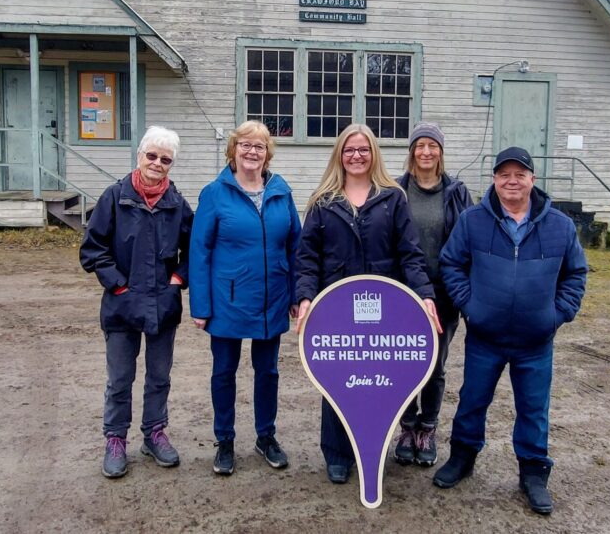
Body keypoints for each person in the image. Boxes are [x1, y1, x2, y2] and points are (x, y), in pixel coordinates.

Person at [434, 146, 588, 515]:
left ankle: (533, 473)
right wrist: (471, 306)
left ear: (533, 179)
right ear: (494, 180)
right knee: (472, 400)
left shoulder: (560, 227)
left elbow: (576, 274)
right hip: (485, 338)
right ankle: (462, 457)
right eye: (504, 174)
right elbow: (451, 264)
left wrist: (557, 314)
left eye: (520, 174)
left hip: (536, 342)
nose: (512, 181)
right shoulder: (473, 221)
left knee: (534, 409)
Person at [295, 123, 442, 485]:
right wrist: (305, 296)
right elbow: (307, 258)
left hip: (383, 310)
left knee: (377, 382)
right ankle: (337, 453)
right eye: (349, 150)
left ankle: (370, 448)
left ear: (373, 154)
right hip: (335, 308)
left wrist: (424, 294)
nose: (356, 156)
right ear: (339, 156)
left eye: (363, 150)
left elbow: (410, 254)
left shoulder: (392, 198)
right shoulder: (323, 201)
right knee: (336, 381)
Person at [80, 125, 192, 479]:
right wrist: (118, 287)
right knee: (120, 379)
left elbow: (195, 251)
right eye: (152, 155)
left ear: (171, 164)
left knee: (159, 376)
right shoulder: (114, 197)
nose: (157, 163)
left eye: (166, 159)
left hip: (163, 304)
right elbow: (93, 249)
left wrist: (178, 279)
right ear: (140, 154)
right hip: (121, 306)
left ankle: (154, 433)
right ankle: (115, 439)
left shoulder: (177, 205)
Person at [189, 120, 301, 476]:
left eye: (260, 146)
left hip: (273, 298)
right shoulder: (215, 193)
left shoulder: (281, 191)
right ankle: (224, 440)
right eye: (245, 145)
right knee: (224, 371)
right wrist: (201, 305)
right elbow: (200, 250)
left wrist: (298, 293)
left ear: (268, 154)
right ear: (233, 149)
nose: (252, 152)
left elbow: (296, 246)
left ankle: (265, 436)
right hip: (228, 299)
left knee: (267, 371)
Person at [393, 122, 473, 467]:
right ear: (412, 151)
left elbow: (470, 241)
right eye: (420, 145)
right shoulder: (395, 190)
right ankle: (407, 426)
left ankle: (428, 427)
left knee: (434, 365)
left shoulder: (456, 192)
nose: (426, 152)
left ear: (441, 151)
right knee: (403, 362)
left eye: (432, 146)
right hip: (403, 293)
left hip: (443, 294)